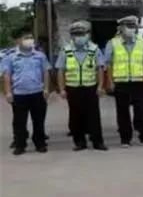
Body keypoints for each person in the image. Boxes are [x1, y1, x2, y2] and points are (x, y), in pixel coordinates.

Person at [55, 21, 107, 151]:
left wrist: (100, 86)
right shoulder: (66, 50)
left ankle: (97, 142)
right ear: (72, 36)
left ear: (87, 35)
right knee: (75, 115)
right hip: (72, 88)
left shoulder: (94, 49)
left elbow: (100, 68)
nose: (79, 37)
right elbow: (60, 70)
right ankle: (79, 142)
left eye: (82, 34)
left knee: (94, 116)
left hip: (91, 87)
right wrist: (61, 89)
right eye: (76, 34)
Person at [104, 16, 143, 147]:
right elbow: (108, 64)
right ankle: (125, 139)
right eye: (129, 27)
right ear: (121, 28)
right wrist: (110, 81)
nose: (131, 29)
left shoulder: (141, 42)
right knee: (122, 112)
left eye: (133, 27)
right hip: (121, 81)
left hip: (138, 81)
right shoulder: (113, 43)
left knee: (142, 110)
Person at [2, 27, 50, 155]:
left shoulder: (40, 55)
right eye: (26, 38)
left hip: (37, 93)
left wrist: (46, 88)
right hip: (19, 94)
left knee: (39, 120)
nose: (29, 40)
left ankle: (40, 143)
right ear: (18, 41)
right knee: (19, 122)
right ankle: (20, 144)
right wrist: (7, 92)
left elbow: (45, 72)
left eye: (30, 38)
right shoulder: (11, 57)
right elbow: (6, 75)